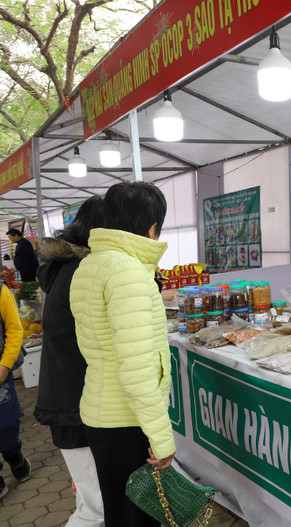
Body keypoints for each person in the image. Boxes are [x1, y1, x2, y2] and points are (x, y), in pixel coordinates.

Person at [70, 181, 174, 526]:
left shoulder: (91, 264)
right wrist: (161, 438)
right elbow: (137, 368)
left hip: (102, 412)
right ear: (151, 228)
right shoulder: (128, 273)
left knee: (120, 510)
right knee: (139, 516)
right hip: (126, 419)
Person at [35, 196, 104, 525]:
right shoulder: (82, 271)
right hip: (73, 403)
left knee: (94, 499)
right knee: (96, 508)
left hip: (68, 397)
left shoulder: (63, 266)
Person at [0, 280, 32, 499]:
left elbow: (14, 330)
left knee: (6, 425)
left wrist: (4, 367)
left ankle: (14, 455)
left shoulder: (1, 291)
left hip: (0, 371)